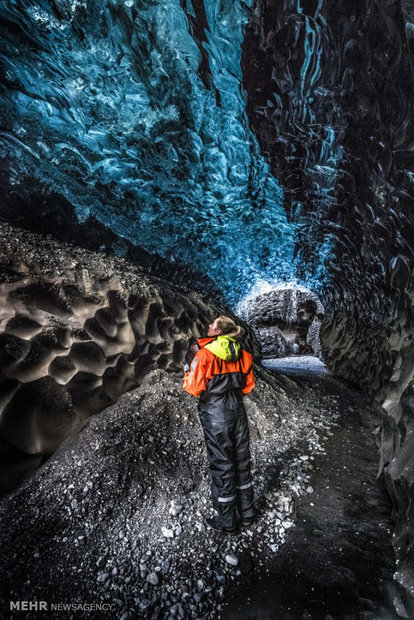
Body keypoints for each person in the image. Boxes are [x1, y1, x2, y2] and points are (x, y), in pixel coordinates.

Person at [182, 315, 256, 533]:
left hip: (216, 414)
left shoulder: (204, 354)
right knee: (241, 461)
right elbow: (248, 387)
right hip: (237, 411)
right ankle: (247, 513)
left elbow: (193, 388)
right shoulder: (244, 355)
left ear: (217, 332)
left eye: (212, 326)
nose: (208, 327)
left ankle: (226, 521)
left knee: (222, 464)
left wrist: (186, 371)